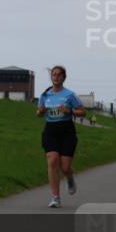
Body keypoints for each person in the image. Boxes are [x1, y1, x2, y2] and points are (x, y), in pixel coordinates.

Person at [36, 66, 85, 207]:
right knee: (52, 161)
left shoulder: (70, 95)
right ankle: (55, 197)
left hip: (67, 131)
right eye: (54, 74)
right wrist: (40, 111)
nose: (56, 77)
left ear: (64, 77)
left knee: (65, 167)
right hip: (50, 131)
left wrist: (70, 110)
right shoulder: (45, 95)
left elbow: (83, 112)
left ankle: (69, 176)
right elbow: (38, 113)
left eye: (59, 75)